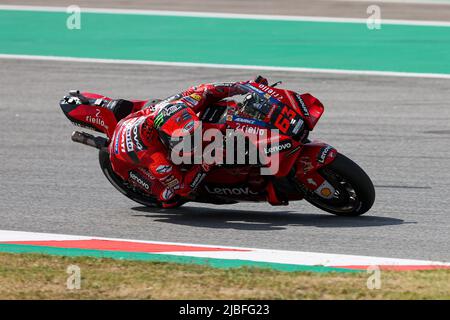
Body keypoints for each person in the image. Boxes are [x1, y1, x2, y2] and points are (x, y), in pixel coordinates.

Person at [109, 79, 262, 208]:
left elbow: (209, 90)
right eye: (186, 141)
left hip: (140, 118)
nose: (194, 143)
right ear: (166, 139)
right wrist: (207, 161)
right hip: (123, 160)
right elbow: (183, 188)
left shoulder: (182, 104)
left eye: (194, 135)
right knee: (169, 197)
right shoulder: (157, 161)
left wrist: (245, 86)